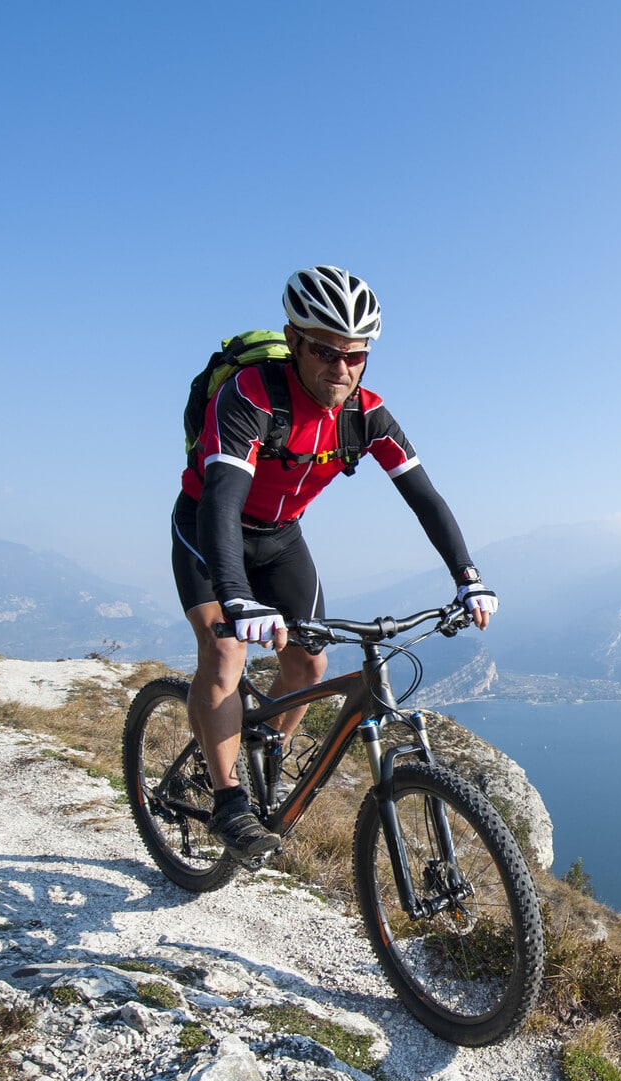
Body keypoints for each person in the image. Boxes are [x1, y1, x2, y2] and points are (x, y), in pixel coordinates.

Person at [171, 265, 494, 859]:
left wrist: (468, 578)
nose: (340, 369)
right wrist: (237, 598)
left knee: (310, 668)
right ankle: (229, 804)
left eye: (355, 355)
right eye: (324, 351)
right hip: (207, 528)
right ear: (294, 341)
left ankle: (263, 743)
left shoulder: (367, 415)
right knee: (223, 653)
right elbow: (222, 499)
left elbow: (425, 497)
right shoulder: (251, 398)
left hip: (280, 538)